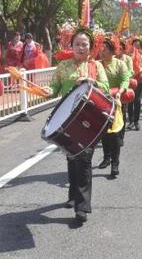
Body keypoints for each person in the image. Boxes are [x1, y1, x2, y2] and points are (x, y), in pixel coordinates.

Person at [42, 27, 109, 224]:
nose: (80, 47)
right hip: (67, 119)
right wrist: (47, 89)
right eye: (77, 44)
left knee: (84, 159)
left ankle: (82, 207)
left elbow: (105, 87)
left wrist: (91, 80)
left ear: (90, 47)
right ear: (70, 46)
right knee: (71, 157)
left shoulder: (96, 66)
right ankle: (72, 195)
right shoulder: (63, 66)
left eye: (84, 44)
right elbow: (54, 88)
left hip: (88, 118)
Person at [98, 39, 128, 177]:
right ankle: (106, 157)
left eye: (104, 50)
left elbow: (125, 79)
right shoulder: (97, 65)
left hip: (116, 100)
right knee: (104, 132)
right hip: (101, 101)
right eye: (100, 49)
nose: (101, 52)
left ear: (111, 51)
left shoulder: (120, 64)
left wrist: (119, 92)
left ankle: (115, 163)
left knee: (115, 134)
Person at [127, 38, 142, 131]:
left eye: (138, 46)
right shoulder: (128, 57)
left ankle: (136, 121)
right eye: (134, 46)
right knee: (129, 101)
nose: (136, 48)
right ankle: (131, 121)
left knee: (137, 101)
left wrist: (133, 74)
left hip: (138, 82)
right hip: (129, 81)